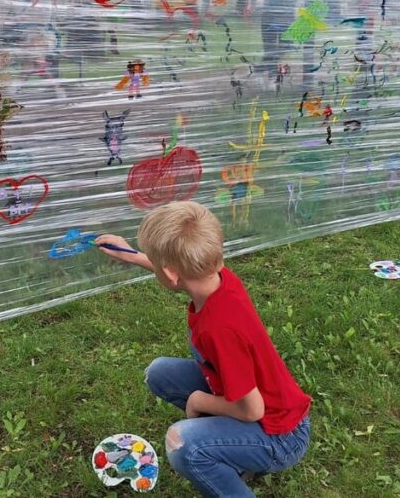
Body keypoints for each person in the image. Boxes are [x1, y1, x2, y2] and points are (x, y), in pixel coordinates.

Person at [95, 201, 311, 497]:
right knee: (160, 373)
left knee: (183, 445)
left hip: (280, 436)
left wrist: (199, 401)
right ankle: (231, 448)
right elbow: (183, 270)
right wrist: (132, 255)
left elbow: (252, 410)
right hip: (269, 411)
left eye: (156, 264)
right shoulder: (219, 279)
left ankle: (230, 457)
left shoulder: (219, 329)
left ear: (170, 273)